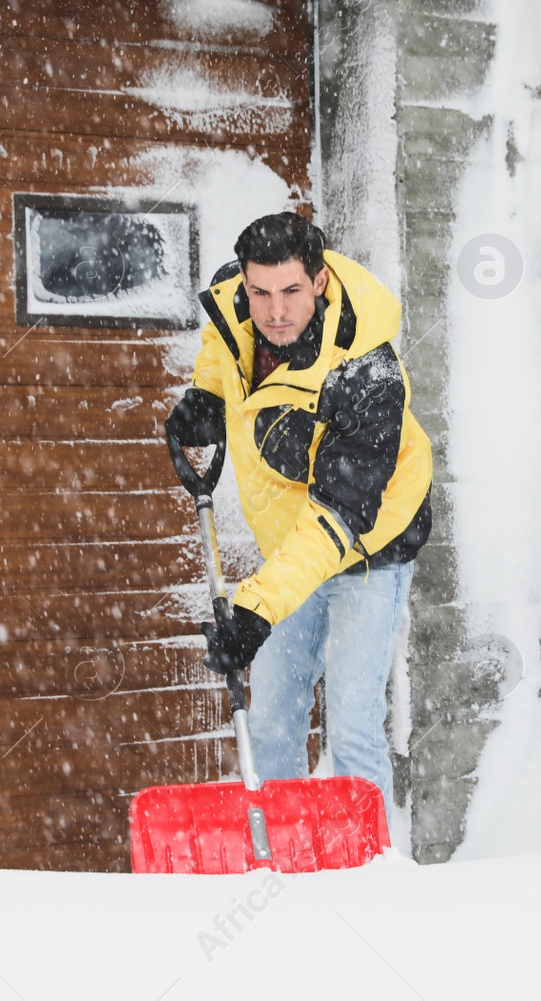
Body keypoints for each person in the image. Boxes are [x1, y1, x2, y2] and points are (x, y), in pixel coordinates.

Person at [165, 212, 433, 818]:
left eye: (290, 291)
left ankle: (373, 879)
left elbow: (340, 518)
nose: (274, 310)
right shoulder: (240, 299)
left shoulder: (368, 371)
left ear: (318, 280)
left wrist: (255, 613)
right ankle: (281, 868)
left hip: (367, 542)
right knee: (273, 717)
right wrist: (207, 395)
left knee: (353, 723)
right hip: (290, 537)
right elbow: (224, 339)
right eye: (260, 292)